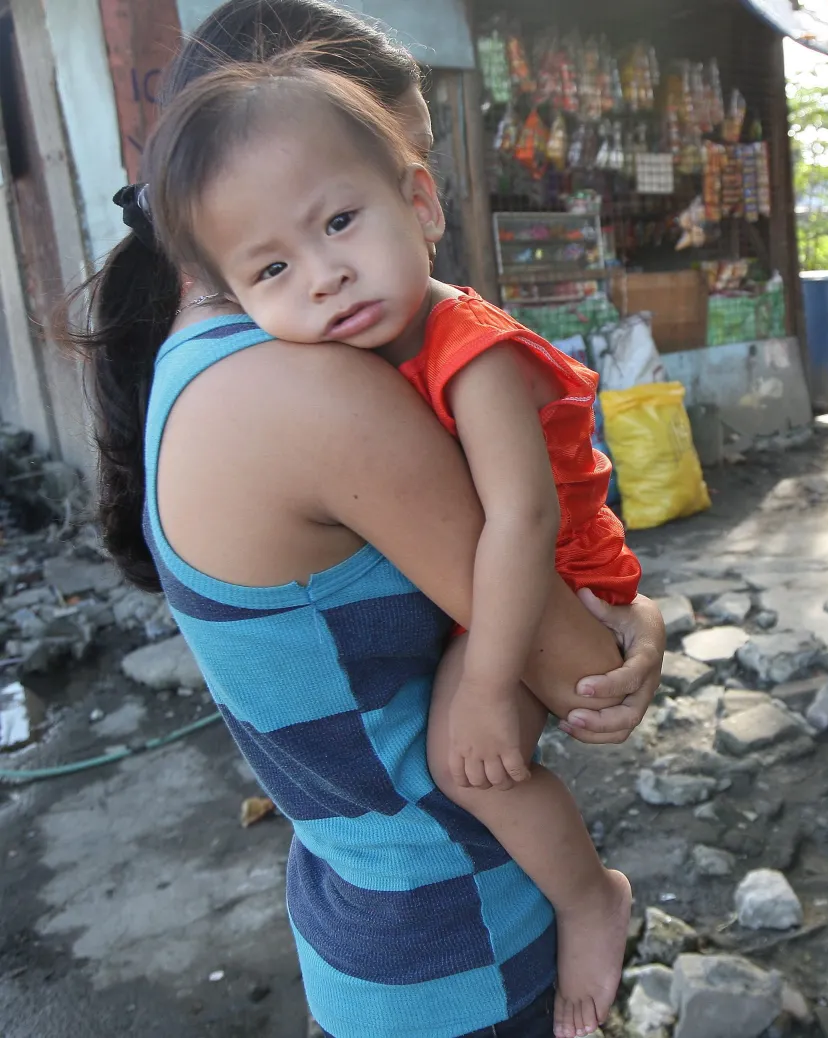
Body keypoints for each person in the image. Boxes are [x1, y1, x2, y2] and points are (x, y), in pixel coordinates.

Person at [71, 3, 667, 1037]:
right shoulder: (313, 394)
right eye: (281, 254)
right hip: (460, 949)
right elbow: (581, 679)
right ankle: (592, 900)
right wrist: (629, 629)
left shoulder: (194, 368)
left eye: (350, 220)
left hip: (364, 937)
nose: (338, 268)